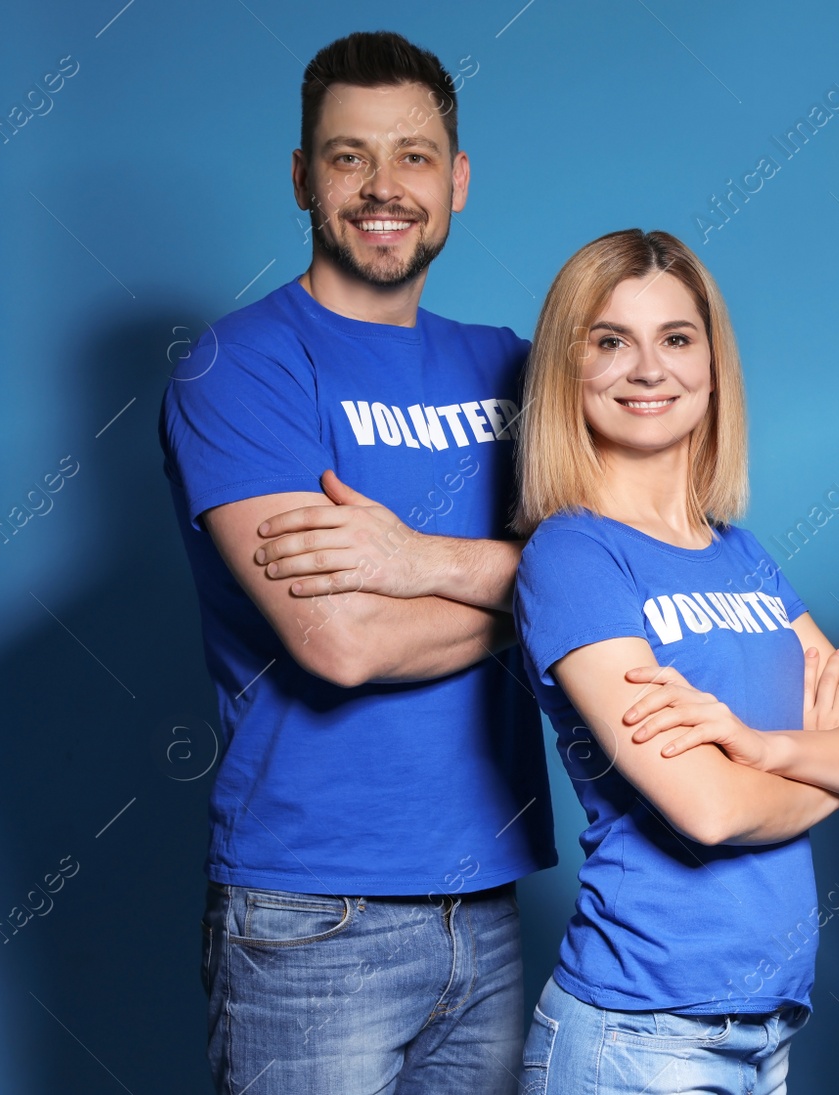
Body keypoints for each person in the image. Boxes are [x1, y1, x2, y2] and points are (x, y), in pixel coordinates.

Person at [160, 31, 554, 1093]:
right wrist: (543, 592)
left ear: (458, 179)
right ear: (301, 176)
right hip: (311, 915)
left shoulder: (514, 364)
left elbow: (636, 564)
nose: (385, 189)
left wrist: (412, 558)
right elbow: (339, 641)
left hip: (491, 896)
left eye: (415, 156)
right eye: (348, 157)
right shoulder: (239, 365)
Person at [511, 228, 839, 1095]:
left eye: (676, 338)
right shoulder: (573, 558)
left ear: (711, 363)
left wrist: (764, 749)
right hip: (638, 1036)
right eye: (611, 340)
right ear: (566, 367)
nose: (648, 368)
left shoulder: (743, 555)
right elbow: (706, 808)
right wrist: (827, 759)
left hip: (767, 1030)